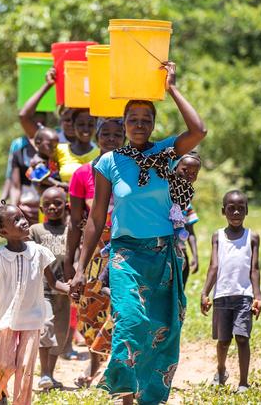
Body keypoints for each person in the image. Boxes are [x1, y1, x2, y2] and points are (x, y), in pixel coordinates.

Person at [69, 61, 207, 403]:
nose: (140, 125)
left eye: (146, 120)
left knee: (161, 330)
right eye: (133, 120)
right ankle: (125, 395)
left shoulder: (166, 152)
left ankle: (150, 397)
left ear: (154, 125)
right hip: (125, 256)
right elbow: (96, 218)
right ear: (124, 124)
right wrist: (79, 267)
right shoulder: (109, 162)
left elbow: (199, 130)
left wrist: (172, 87)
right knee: (129, 322)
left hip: (162, 256)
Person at [0, 201, 70, 405]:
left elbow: (53, 282)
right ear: (4, 231)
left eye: (22, 217)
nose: (24, 221)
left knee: (25, 369)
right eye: (16, 220)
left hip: (32, 319)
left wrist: (69, 288)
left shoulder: (39, 252)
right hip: (7, 319)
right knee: (4, 365)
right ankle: (0, 393)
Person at [64, 117, 125, 387]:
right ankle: (93, 362)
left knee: (121, 306)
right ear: (98, 137)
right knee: (91, 307)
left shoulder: (132, 169)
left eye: (117, 134)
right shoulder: (82, 174)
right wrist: (72, 262)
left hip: (126, 247)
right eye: (106, 134)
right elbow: (75, 222)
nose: (111, 139)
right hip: (93, 252)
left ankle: (115, 367)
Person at [199, 190, 261, 393]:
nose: (236, 212)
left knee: (242, 338)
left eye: (240, 209)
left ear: (247, 210)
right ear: (223, 211)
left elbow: (255, 269)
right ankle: (221, 370)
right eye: (231, 208)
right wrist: (205, 292)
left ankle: (243, 382)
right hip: (222, 297)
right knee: (224, 341)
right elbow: (214, 266)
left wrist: (258, 295)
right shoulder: (218, 236)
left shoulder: (252, 237)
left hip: (244, 296)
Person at [28, 187, 71, 390]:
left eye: (58, 203)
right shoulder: (35, 230)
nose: (52, 207)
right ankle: (44, 373)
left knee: (60, 335)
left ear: (67, 205)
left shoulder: (71, 230)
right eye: (47, 204)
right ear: (41, 207)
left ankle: (51, 375)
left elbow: (77, 255)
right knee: (47, 327)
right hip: (42, 289)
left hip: (65, 291)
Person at [18, 67, 73, 143]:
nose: (71, 124)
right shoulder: (52, 140)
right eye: (67, 120)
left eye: (76, 121)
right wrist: (48, 85)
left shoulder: (93, 148)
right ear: (61, 118)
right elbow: (24, 117)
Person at [174, 152, 202, 284]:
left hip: (181, 253)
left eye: (194, 173)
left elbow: (190, 230)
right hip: (161, 250)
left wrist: (195, 256)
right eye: (185, 170)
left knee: (179, 291)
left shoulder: (187, 203)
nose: (188, 175)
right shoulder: (163, 196)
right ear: (175, 167)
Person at [53, 108, 100, 183]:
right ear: (73, 125)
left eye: (90, 125)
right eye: (81, 124)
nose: (86, 129)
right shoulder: (59, 150)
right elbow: (40, 175)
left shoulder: (101, 155)